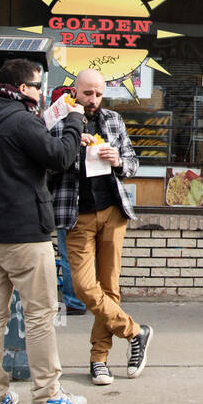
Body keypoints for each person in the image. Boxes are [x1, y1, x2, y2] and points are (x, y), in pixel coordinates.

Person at [0, 58, 89, 404]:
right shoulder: (20, 120)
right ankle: (47, 395)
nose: (40, 91)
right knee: (40, 315)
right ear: (22, 88)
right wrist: (75, 121)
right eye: (36, 85)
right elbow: (60, 157)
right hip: (26, 233)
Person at [50, 68, 153, 386]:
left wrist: (117, 160)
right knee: (83, 288)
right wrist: (71, 145)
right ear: (75, 91)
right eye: (87, 94)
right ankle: (135, 331)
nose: (93, 100)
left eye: (98, 94)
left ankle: (99, 360)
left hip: (112, 212)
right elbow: (47, 164)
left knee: (109, 288)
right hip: (76, 216)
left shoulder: (112, 120)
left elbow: (133, 161)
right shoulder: (58, 120)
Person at [48, 85, 87, 317]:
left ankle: (75, 300)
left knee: (68, 254)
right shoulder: (84, 124)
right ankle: (89, 298)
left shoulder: (53, 128)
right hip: (88, 201)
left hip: (64, 201)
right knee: (84, 255)